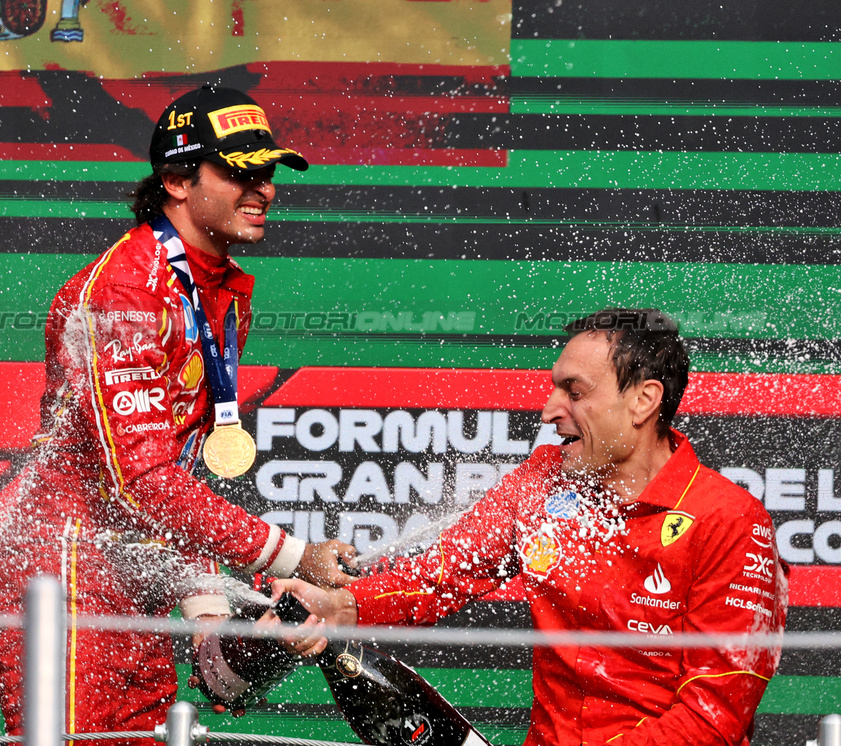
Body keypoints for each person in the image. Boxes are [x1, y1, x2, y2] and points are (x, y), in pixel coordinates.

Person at [0, 85, 358, 741]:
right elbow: (142, 480)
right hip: (68, 588)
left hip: (140, 584)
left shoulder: (225, 292)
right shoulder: (127, 289)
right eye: (240, 172)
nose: (263, 190)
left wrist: (211, 613)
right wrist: (295, 556)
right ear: (176, 180)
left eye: (267, 172)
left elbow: (175, 473)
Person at [276, 309, 787, 746]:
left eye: (574, 391)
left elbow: (714, 715)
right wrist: (344, 605)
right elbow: (442, 574)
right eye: (553, 388)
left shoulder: (729, 519)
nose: (549, 412)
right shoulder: (545, 480)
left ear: (643, 401)